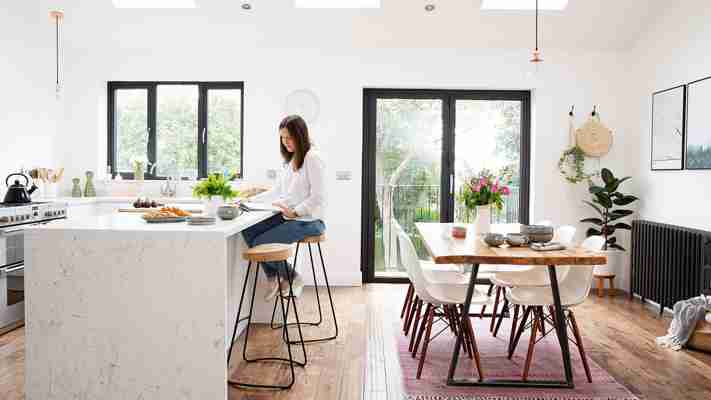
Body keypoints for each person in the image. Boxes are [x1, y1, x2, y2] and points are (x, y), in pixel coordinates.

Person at [243, 115, 326, 301]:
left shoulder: (312, 158)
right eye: (282, 137)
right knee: (249, 231)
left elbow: (318, 196)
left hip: (310, 220)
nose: (285, 142)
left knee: (260, 243)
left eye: (289, 137)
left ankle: (292, 277)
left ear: (300, 135)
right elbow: (277, 191)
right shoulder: (291, 160)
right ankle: (274, 278)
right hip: (289, 216)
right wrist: (249, 201)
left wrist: (296, 211)